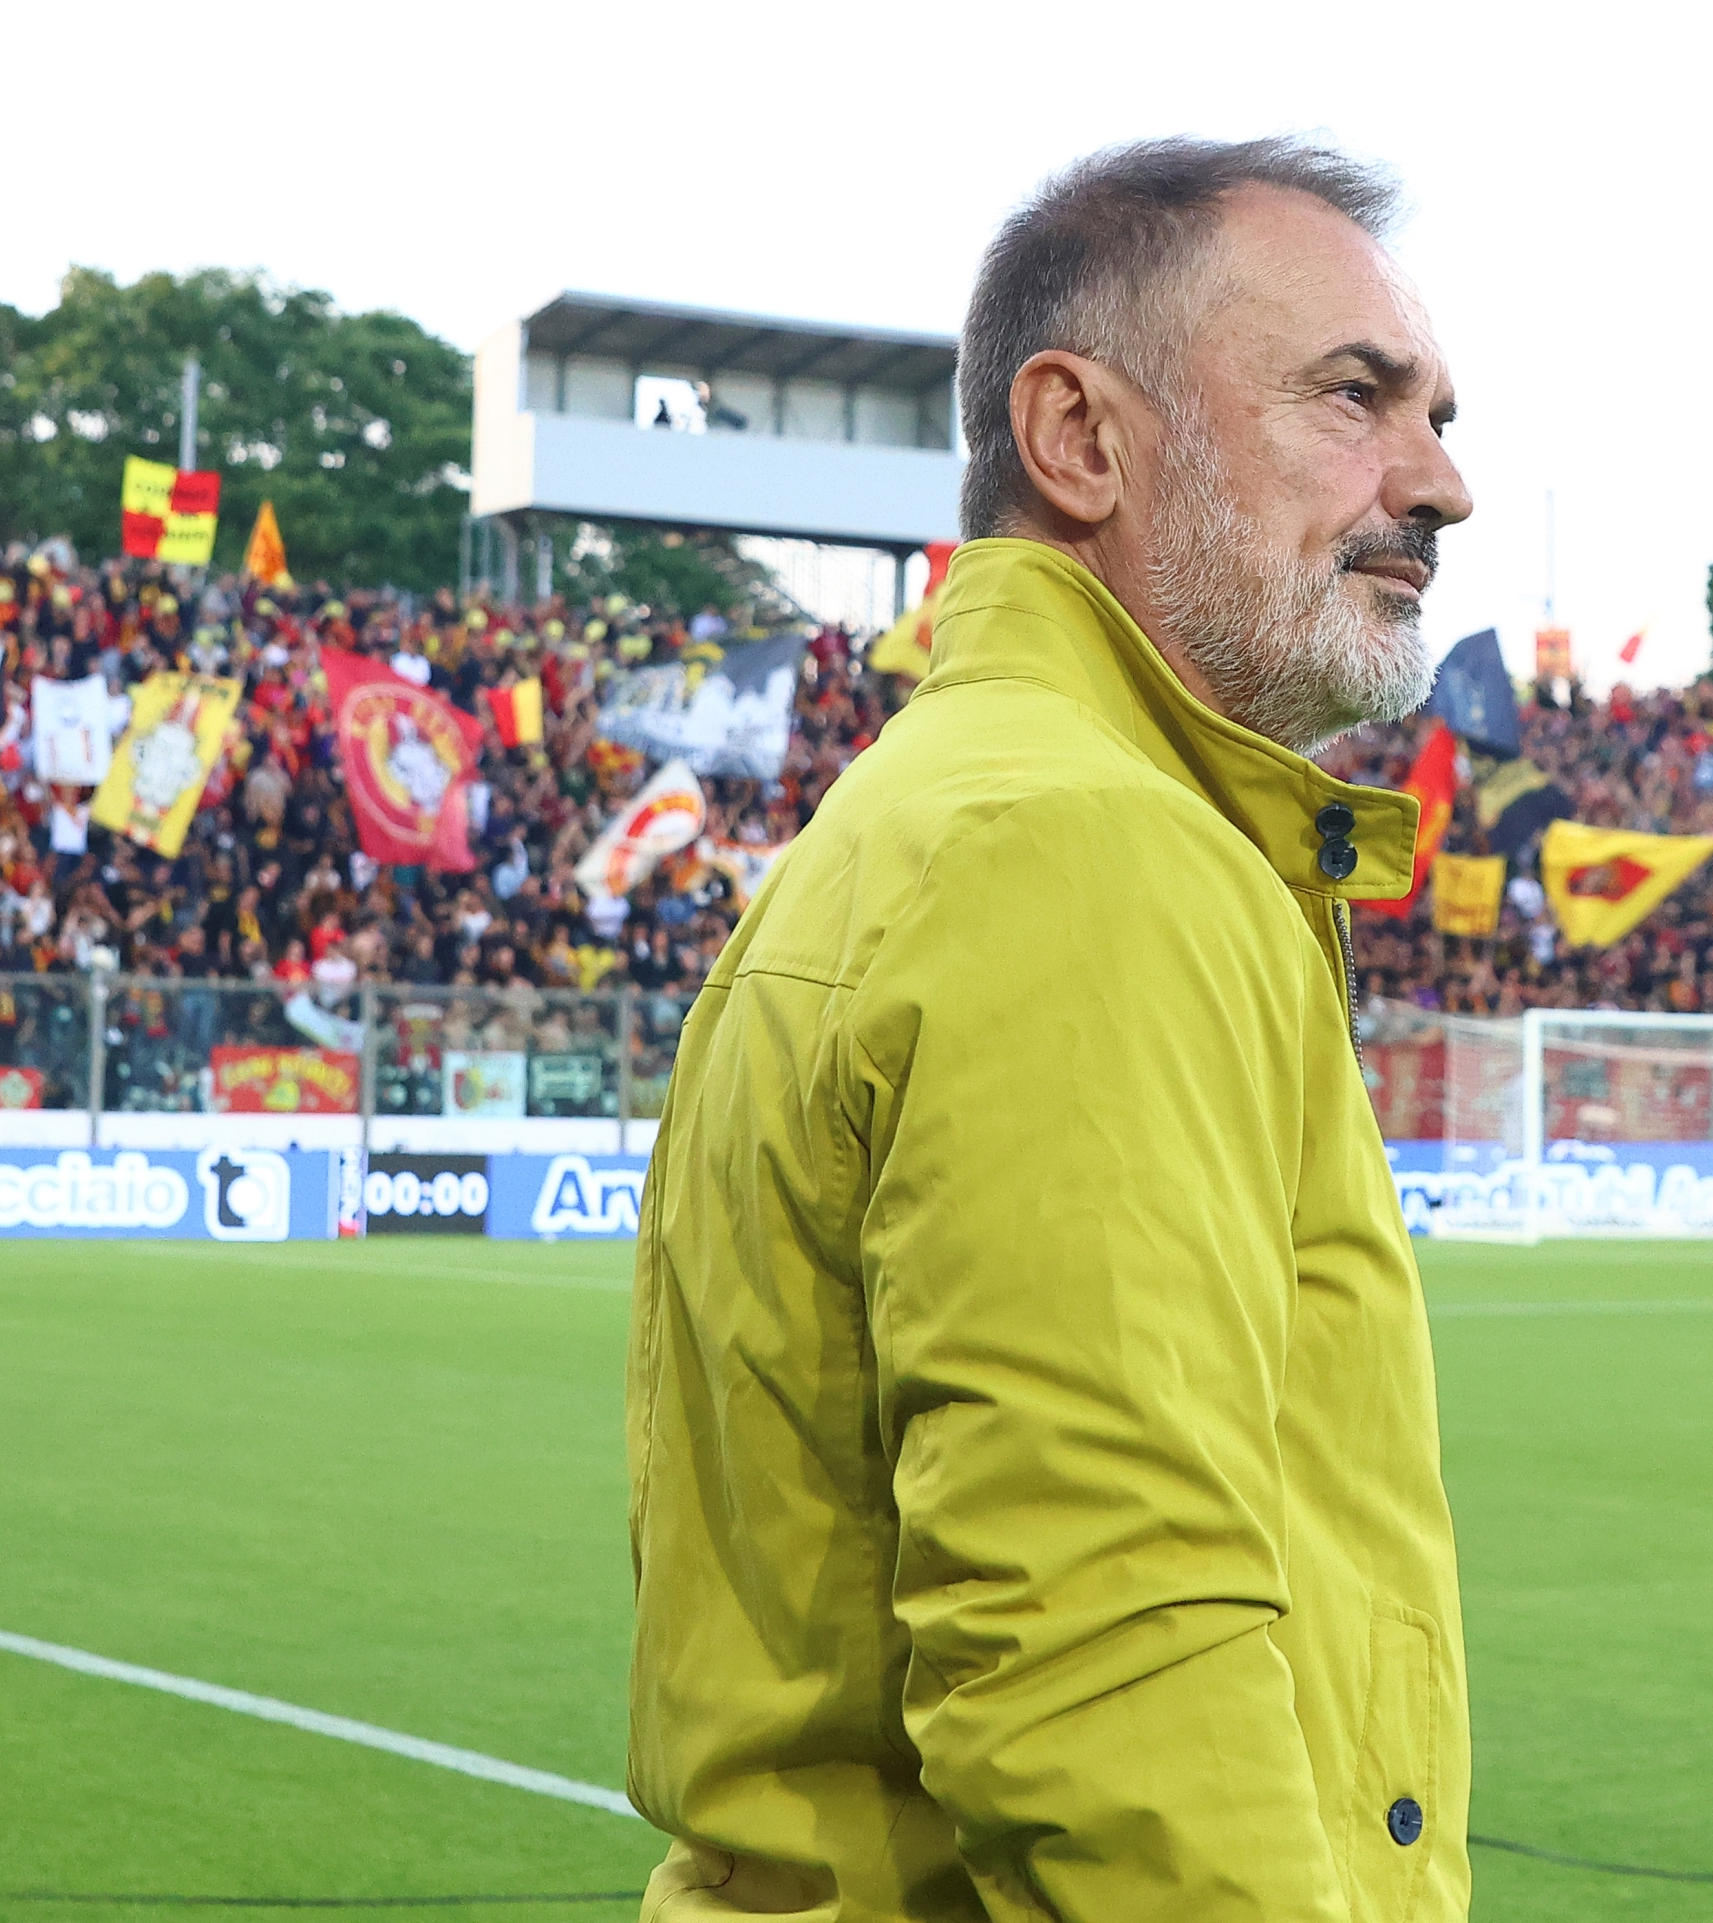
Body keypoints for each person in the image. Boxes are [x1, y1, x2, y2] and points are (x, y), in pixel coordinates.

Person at [625, 137, 1474, 1922]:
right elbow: (1108, 1643)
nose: (1441, 481)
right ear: (1081, 438)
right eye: (1355, 398)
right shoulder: (1079, 847)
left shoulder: (946, 811)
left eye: (1440, 414)